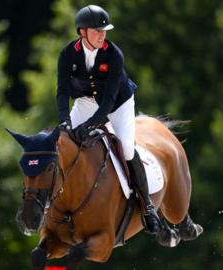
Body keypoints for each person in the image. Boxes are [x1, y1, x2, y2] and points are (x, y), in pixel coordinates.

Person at [56, 4, 161, 234]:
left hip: (117, 104)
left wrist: (91, 125)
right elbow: (62, 92)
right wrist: (64, 121)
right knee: (62, 142)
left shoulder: (113, 54)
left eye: (104, 31)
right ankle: (54, 201)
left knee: (126, 150)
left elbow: (109, 100)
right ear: (82, 32)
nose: (102, 35)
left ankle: (148, 207)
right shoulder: (67, 55)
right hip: (85, 102)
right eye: (97, 31)